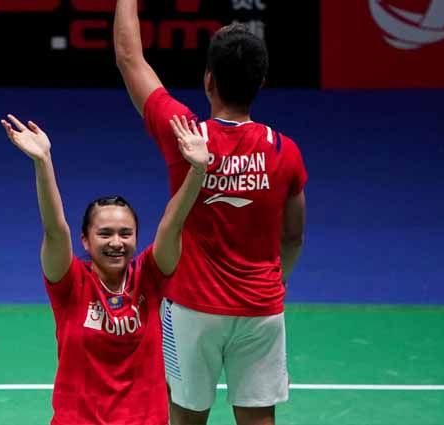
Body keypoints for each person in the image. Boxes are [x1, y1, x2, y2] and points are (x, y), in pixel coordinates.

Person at [113, 2, 308, 425]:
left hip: (190, 308)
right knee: (259, 419)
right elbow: (293, 237)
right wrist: (280, 280)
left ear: (208, 81)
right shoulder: (284, 151)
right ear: (261, 82)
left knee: (185, 417)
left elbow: (130, 58)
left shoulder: (185, 135)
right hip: (261, 308)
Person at [0, 114, 209, 425]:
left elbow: (173, 223)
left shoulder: (150, 278)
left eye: (126, 233)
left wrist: (198, 170)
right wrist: (43, 162)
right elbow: (56, 230)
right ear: (85, 240)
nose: (116, 242)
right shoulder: (70, 285)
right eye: (105, 233)